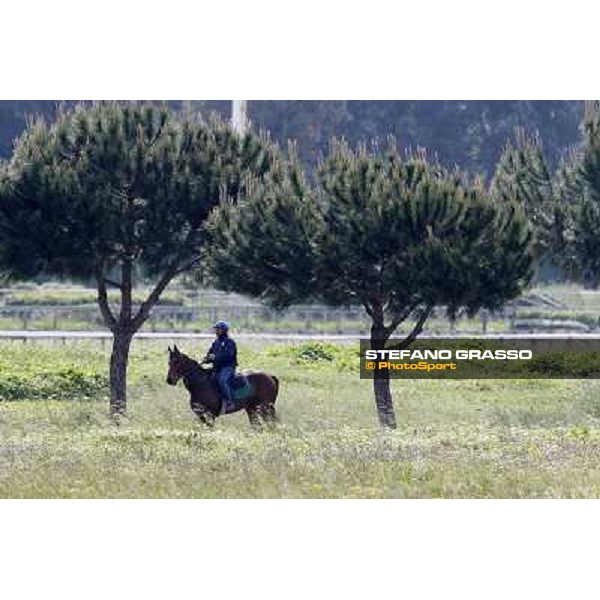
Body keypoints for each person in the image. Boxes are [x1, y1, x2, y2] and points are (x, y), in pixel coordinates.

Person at [203, 319, 237, 412]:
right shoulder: (216, 342)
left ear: (224, 330)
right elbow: (210, 354)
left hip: (228, 367)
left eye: (218, 329)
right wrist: (206, 359)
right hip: (217, 367)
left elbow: (229, 355)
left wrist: (215, 357)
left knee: (222, 380)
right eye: (216, 329)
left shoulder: (230, 342)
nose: (216, 331)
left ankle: (230, 401)